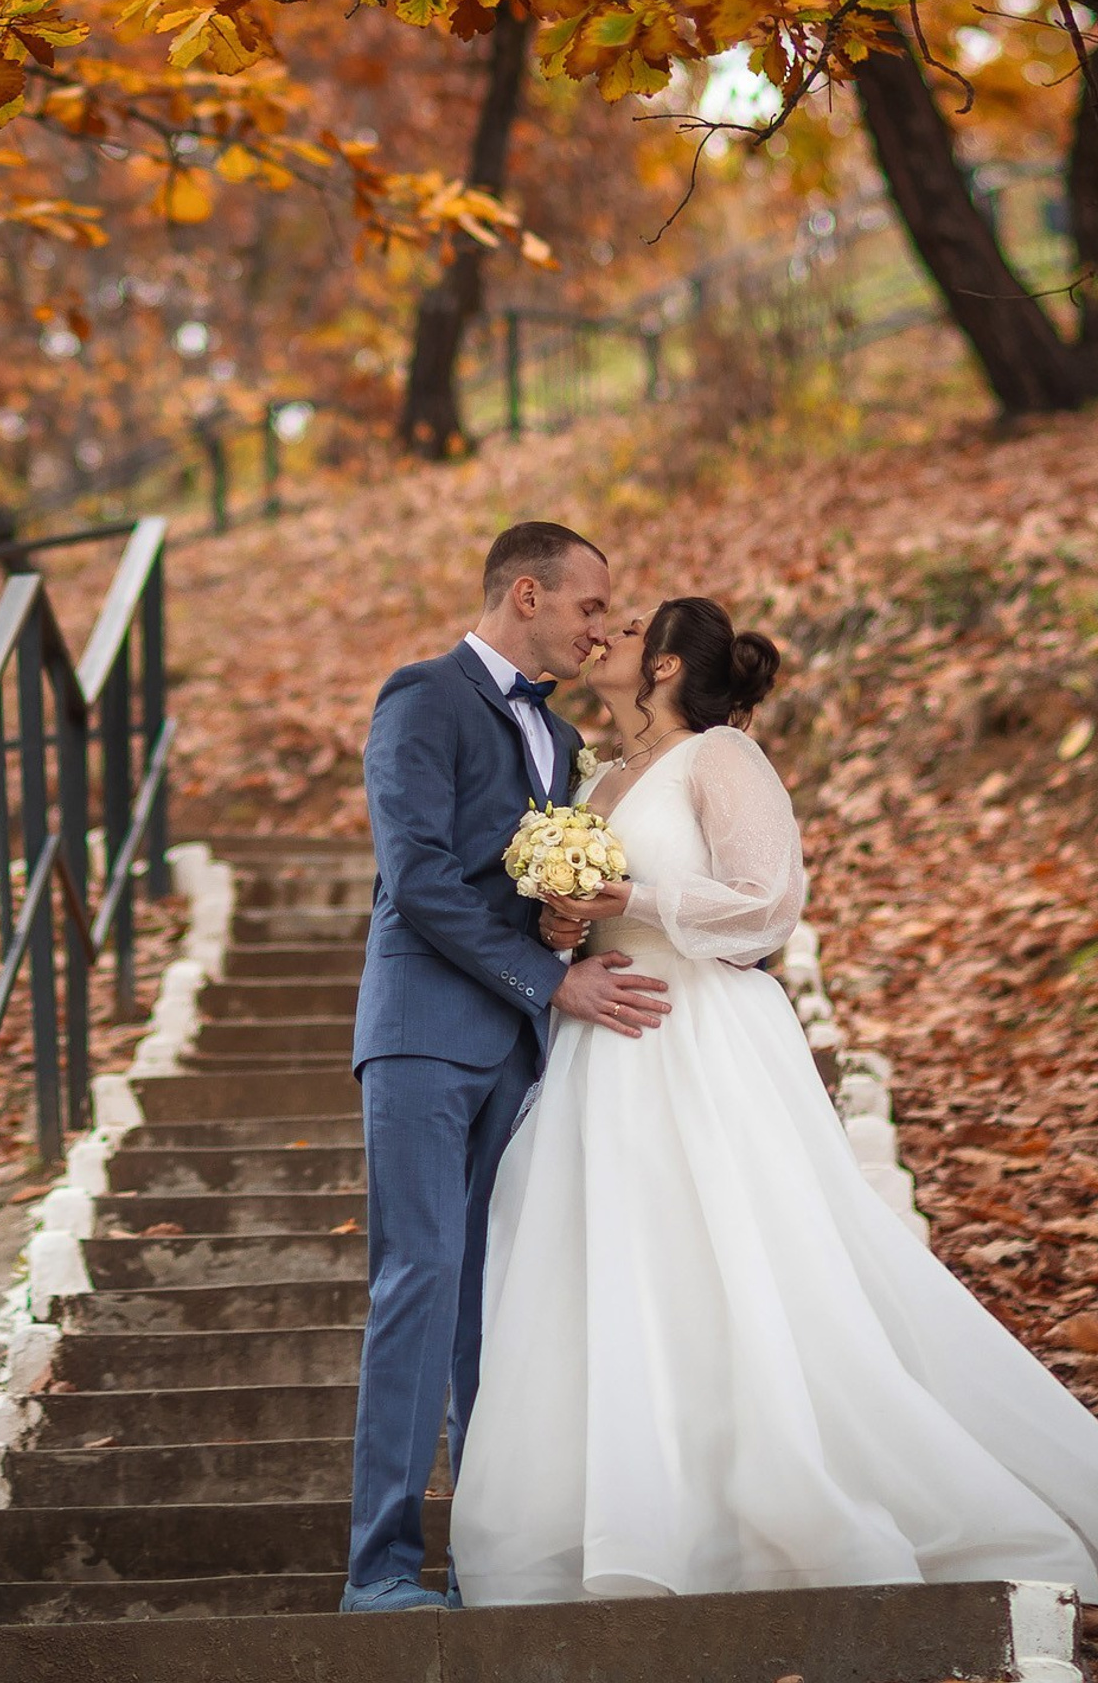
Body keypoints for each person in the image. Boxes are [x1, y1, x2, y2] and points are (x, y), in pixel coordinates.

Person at [452, 596, 1098, 1602]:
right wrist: (563, 924)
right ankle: (643, 1511)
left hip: (699, 1030)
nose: (602, 639)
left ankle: (791, 1503)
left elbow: (766, 903)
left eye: (622, 632)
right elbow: (590, 919)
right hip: (599, 1044)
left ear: (663, 666)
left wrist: (625, 897)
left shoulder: (720, 757)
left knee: (745, 1258)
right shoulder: (598, 776)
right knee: (622, 1267)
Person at [343, 522, 674, 1614]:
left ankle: (478, 1562)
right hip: (427, 1033)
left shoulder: (563, 732)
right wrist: (551, 981)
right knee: (420, 1282)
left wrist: (569, 926)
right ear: (525, 593)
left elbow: (530, 880)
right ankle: (382, 1569)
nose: (600, 629)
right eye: (588, 608)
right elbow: (419, 877)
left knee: (496, 1301)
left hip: (522, 1053)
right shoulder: (421, 696)